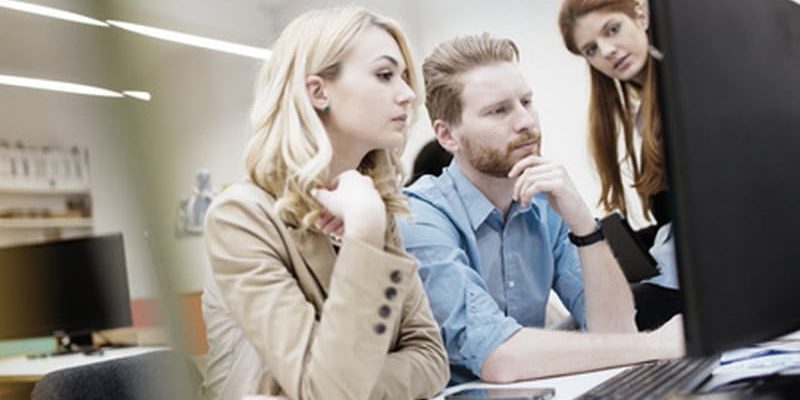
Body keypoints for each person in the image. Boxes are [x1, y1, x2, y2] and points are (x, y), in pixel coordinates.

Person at [398, 33, 683, 385]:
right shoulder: (418, 217)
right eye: (498, 111)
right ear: (447, 136)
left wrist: (583, 224)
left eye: (526, 102)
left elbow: (616, 332)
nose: (525, 121)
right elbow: (498, 358)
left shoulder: (547, 204)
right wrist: (656, 344)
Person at [200, 7, 449, 399]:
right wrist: (364, 235)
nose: (408, 94)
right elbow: (329, 392)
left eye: (403, 77)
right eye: (385, 75)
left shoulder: (370, 204)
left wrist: (347, 381)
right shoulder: (242, 218)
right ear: (318, 92)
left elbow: (432, 359)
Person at [558, 0, 681, 330]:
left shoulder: (685, 93)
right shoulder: (646, 114)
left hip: (705, 281)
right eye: (591, 49)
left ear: (640, 14)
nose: (607, 52)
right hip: (679, 272)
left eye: (613, 30)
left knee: (581, 329)